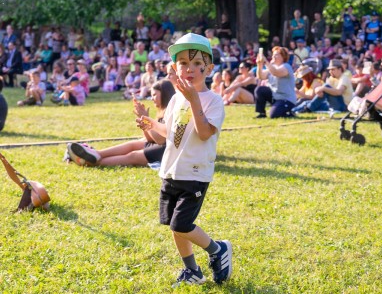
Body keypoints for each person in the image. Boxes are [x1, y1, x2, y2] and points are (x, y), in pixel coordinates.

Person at [135, 33, 231, 286]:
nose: (189, 70)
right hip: (171, 171)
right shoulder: (176, 99)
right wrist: (149, 122)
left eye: (196, 64)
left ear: (208, 68)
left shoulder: (214, 101)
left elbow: (204, 132)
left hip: (194, 173)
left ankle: (217, 249)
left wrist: (194, 100)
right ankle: (192, 271)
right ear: (176, 69)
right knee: (173, 225)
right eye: (183, 64)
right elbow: (171, 133)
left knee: (182, 224)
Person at [67, 79, 175, 168]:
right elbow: (150, 139)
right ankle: (96, 154)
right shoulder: (162, 111)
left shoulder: (171, 111)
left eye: (155, 95)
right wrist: (143, 121)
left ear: (164, 94)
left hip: (168, 149)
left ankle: (91, 162)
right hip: (161, 145)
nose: (152, 98)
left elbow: (160, 139)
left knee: (132, 156)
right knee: (132, 144)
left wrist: (146, 120)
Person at [254, 46, 297, 118]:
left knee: (273, 115)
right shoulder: (272, 67)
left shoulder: (286, 66)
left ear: (283, 57)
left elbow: (276, 72)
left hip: (286, 99)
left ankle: (289, 113)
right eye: (273, 54)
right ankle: (261, 113)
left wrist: (266, 62)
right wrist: (259, 64)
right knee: (259, 89)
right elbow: (260, 76)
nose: (273, 56)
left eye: (276, 54)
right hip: (275, 96)